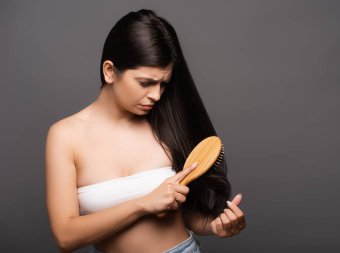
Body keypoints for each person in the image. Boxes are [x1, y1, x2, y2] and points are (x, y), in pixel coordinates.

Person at [45, 9, 246, 253]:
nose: (156, 94)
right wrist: (143, 204)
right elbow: (65, 237)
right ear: (109, 71)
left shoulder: (165, 123)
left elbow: (186, 215)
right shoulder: (65, 136)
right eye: (145, 82)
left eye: (163, 83)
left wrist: (217, 225)